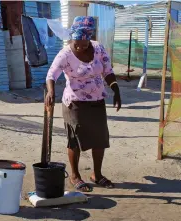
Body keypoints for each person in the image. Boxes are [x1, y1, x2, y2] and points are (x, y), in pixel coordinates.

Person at [45, 16, 121, 192]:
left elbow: (108, 71)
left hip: (97, 101)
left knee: (100, 139)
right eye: (77, 42)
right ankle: (75, 176)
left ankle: (97, 174)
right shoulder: (65, 54)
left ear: (90, 38)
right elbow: (51, 75)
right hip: (75, 103)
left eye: (85, 43)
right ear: (73, 36)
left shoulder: (99, 48)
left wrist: (116, 89)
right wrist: (51, 91)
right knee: (74, 141)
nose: (81, 46)